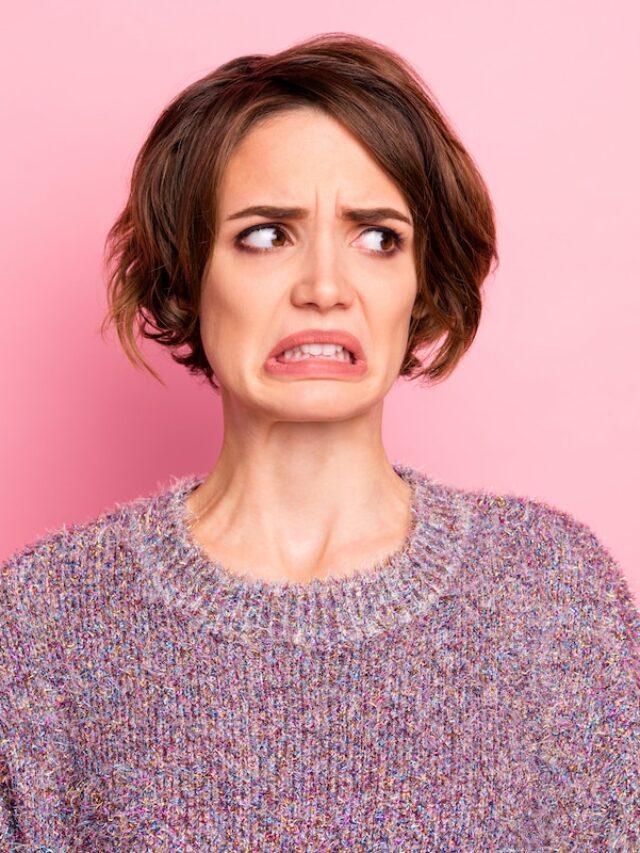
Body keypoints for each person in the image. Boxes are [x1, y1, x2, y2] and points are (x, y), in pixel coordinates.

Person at [1, 31, 638, 851]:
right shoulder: (43, 625)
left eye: (378, 237)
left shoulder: (554, 596)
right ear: (189, 274)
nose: (325, 288)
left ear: (421, 283)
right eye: (268, 234)